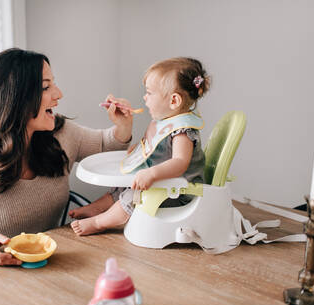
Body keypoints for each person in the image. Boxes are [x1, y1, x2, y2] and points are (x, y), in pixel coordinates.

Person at [0, 48, 133, 265]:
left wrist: (123, 125)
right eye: (46, 87)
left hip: (51, 262)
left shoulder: (59, 132)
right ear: (15, 97)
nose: (58, 94)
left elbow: (106, 145)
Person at [70, 57, 210, 236]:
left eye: (150, 93)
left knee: (133, 195)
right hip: (166, 184)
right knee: (124, 187)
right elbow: (159, 149)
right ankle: (97, 208)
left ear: (174, 101)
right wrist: (139, 150)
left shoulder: (182, 130)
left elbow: (180, 162)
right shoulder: (166, 121)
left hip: (179, 191)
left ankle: (100, 222)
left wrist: (151, 173)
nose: (145, 97)